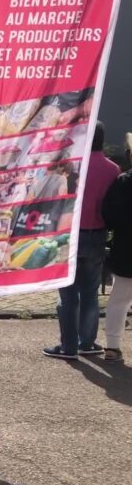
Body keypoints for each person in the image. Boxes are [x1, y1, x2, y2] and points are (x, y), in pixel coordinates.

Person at [44, 122, 120, 359]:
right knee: (90, 292)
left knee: (68, 294)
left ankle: (68, 346)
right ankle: (87, 342)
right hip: (97, 233)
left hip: (69, 233)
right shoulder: (113, 169)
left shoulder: (69, 166)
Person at [102, 150, 132, 362]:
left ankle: (112, 346)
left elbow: (109, 215)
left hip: (126, 249)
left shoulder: (122, 182)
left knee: (118, 302)